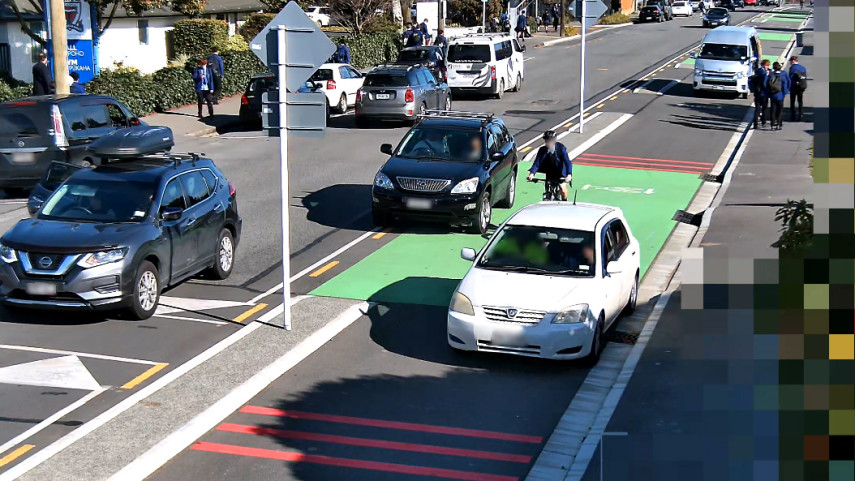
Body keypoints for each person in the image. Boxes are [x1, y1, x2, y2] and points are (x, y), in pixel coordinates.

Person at [527, 130, 573, 200]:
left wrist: (569, 174)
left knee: (563, 189)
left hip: (561, 172)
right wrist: (532, 173)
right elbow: (537, 163)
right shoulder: (542, 150)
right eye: (547, 141)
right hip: (550, 172)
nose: (548, 143)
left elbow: (567, 162)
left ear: (554, 141)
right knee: (547, 191)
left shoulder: (561, 148)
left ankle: (564, 202)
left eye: (550, 141)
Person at [767, 61, 790, 131]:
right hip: (781, 94)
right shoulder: (784, 74)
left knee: (773, 110)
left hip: (773, 94)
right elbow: (788, 82)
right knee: (780, 110)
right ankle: (779, 124)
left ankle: (772, 124)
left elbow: (766, 83)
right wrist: (786, 91)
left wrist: (768, 93)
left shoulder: (771, 74)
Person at [750, 59, 770, 129]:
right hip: (764, 93)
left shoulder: (757, 71)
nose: (768, 67)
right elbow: (765, 83)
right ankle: (763, 121)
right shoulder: (764, 73)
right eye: (767, 65)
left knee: (757, 109)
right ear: (764, 65)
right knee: (764, 108)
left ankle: (755, 123)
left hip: (757, 93)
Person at [788, 56, 807, 121]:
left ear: (793, 61)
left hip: (793, 87)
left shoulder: (792, 68)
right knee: (800, 101)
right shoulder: (803, 68)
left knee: (792, 102)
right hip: (801, 86)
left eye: (790, 61)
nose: (790, 63)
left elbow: (790, 78)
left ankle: (793, 115)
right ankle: (801, 114)